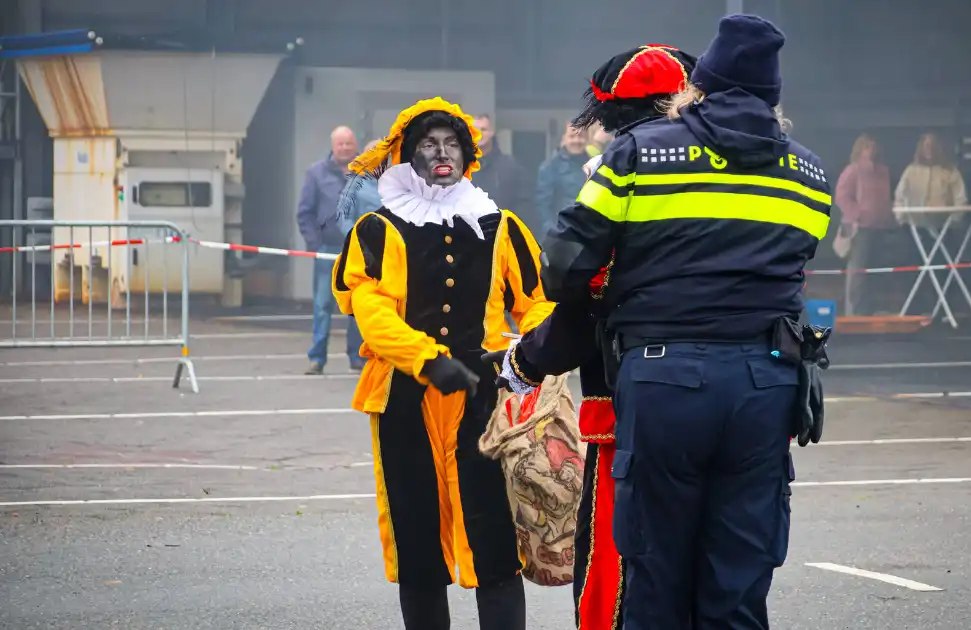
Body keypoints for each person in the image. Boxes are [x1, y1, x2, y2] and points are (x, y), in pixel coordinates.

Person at [539, 15, 830, 630]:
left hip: (664, 379)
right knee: (740, 580)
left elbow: (563, 270)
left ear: (699, 87)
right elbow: (794, 270)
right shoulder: (810, 174)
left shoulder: (638, 154)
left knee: (656, 575)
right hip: (767, 384)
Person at [483, 43, 698, 630]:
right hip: (742, 398)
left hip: (635, 396)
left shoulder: (622, 173)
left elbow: (581, 289)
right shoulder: (749, 173)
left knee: (617, 554)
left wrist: (524, 363)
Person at [331, 97, 554, 630]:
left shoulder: (500, 225)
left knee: (494, 537)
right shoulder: (378, 229)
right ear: (408, 155)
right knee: (418, 539)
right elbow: (372, 311)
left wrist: (531, 353)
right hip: (405, 397)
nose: (442, 153)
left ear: (468, 154)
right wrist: (426, 359)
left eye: (452, 143)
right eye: (429, 145)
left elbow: (537, 301)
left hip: (485, 397)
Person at [297, 125, 364, 374]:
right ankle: (317, 358)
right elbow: (305, 213)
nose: (345, 148)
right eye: (340, 144)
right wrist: (315, 244)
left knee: (358, 306)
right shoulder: (316, 173)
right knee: (322, 305)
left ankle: (357, 357)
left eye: (349, 143)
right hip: (326, 250)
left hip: (358, 251)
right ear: (333, 146)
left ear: (355, 145)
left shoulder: (368, 171)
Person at [835, 133, 894, 315]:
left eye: (873, 146)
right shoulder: (853, 170)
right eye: (867, 146)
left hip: (879, 226)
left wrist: (887, 215)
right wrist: (857, 214)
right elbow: (841, 196)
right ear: (859, 149)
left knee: (875, 270)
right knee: (858, 271)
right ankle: (855, 312)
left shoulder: (883, 172)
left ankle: (870, 309)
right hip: (858, 228)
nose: (871, 150)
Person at [470, 113, 529, 220]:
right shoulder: (460, 168)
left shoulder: (510, 165)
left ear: (492, 132)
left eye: (484, 129)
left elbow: (522, 202)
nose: (479, 134)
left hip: (502, 227)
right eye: (475, 130)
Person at [535, 122, 590, 234]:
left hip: (587, 234)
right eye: (572, 136)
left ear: (587, 139)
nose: (576, 140)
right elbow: (543, 207)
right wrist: (553, 233)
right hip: (561, 234)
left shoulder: (595, 165)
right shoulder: (550, 167)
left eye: (580, 136)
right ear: (564, 138)